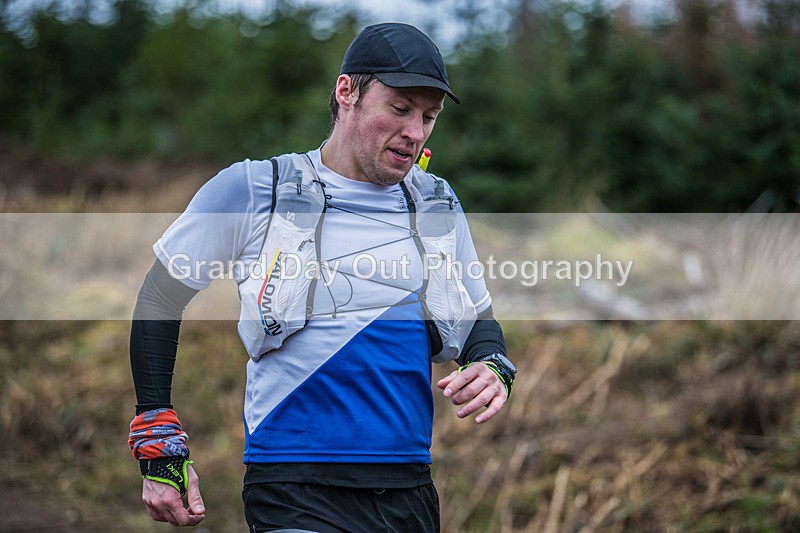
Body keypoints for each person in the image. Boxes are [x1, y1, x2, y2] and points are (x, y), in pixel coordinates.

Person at [128, 22, 516, 532]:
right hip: (293, 484)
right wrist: (159, 447)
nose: (416, 132)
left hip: (409, 489)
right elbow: (160, 296)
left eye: (429, 116)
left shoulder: (436, 204)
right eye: (400, 109)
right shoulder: (254, 190)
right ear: (347, 91)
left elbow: (477, 320)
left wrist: (493, 366)